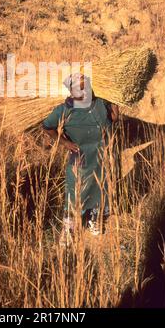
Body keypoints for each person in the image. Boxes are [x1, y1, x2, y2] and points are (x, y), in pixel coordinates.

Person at [42, 73, 119, 242]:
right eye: (80, 88)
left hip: (100, 153)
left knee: (99, 187)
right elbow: (47, 127)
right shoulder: (63, 110)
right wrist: (65, 143)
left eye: (87, 86)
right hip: (80, 155)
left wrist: (116, 101)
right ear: (71, 91)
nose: (85, 91)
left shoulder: (100, 103)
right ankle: (69, 227)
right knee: (75, 188)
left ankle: (92, 219)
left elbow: (113, 119)